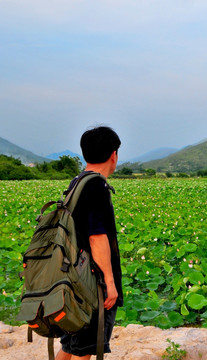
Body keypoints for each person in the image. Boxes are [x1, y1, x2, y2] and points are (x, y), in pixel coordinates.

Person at [56, 126, 124, 360]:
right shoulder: (97, 186)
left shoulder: (77, 182)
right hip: (90, 282)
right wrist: (109, 281)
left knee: (70, 345)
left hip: (72, 276)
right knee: (85, 349)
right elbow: (97, 237)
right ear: (113, 154)